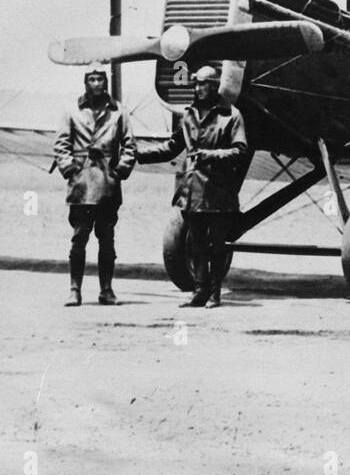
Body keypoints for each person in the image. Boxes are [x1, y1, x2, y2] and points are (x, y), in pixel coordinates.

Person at [137, 65, 250, 308]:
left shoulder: (232, 116)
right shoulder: (188, 116)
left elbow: (240, 151)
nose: (200, 88)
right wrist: (138, 155)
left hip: (219, 192)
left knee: (218, 245)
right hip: (192, 193)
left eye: (205, 84)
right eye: (197, 84)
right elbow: (171, 147)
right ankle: (200, 291)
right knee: (197, 243)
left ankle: (216, 292)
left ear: (215, 85)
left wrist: (210, 155)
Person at [53, 68, 137, 306]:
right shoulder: (72, 111)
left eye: (100, 79)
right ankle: (74, 289)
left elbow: (129, 145)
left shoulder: (119, 112)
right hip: (81, 184)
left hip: (107, 185)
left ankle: (107, 290)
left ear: (106, 82)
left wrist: (120, 170)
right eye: (92, 79)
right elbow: (61, 145)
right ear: (85, 82)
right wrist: (70, 169)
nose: (96, 83)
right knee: (79, 238)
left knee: (107, 239)